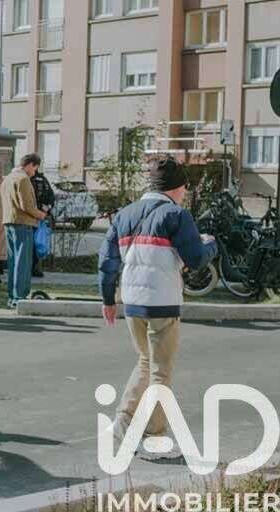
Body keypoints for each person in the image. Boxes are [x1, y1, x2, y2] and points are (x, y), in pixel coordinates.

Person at [98, 158, 217, 456]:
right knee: (161, 372)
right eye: (184, 188)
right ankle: (153, 434)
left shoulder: (125, 214)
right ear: (176, 187)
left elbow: (107, 261)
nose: (185, 193)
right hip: (162, 302)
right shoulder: (176, 215)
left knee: (145, 362)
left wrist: (108, 300)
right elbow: (195, 259)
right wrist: (210, 244)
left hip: (132, 303)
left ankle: (123, 422)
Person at [0, 154, 49, 308]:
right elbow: (27, 206)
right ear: (30, 165)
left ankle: (12, 296)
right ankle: (20, 297)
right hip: (22, 223)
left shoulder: (7, 179)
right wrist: (41, 215)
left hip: (9, 222)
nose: (35, 172)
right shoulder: (23, 179)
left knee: (13, 261)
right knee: (23, 262)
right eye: (35, 168)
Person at [30, 167, 56, 278]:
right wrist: (46, 209)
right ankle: (35, 268)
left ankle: (31, 268)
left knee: (32, 243)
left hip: (31, 216)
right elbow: (51, 197)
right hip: (41, 215)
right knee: (38, 242)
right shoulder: (43, 179)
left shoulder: (27, 179)